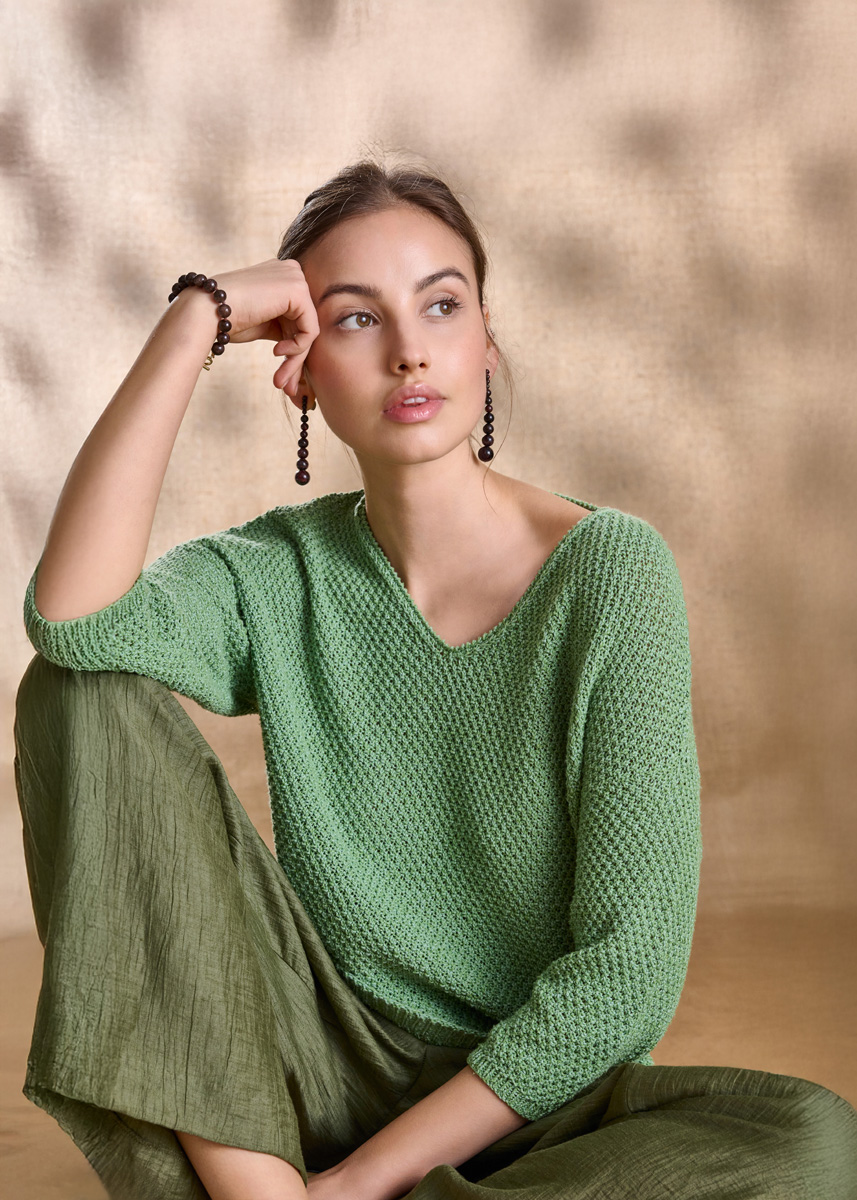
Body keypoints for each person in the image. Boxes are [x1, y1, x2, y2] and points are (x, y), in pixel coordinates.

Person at [14, 158, 857, 1200]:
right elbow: (73, 618)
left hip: (534, 1099)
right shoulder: (280, 574)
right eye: (356, 319)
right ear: (300, 373)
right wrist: (197, 318)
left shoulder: (607, 573)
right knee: (74, 689)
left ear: (485, 340)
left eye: (441, 305)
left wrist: (358, 1183)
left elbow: (626, 976)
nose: (409, 349)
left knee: (811, 1143)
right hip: (302, 1069)